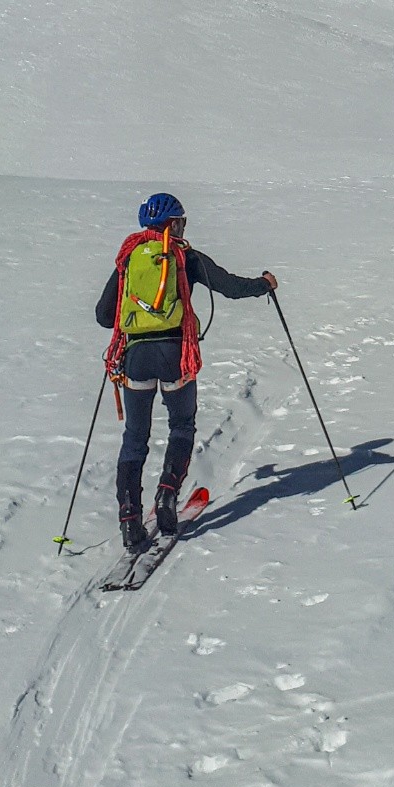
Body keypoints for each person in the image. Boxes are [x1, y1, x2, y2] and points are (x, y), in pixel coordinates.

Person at [96, 191, 276, 552]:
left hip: (135, 358)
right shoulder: (185, 257)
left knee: (135, 437)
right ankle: (167, 495)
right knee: (181, 426)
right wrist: (264, 284)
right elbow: (230, 287)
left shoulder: (129, 257)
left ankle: (129, 520)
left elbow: (103, 316)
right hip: (176, 355)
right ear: (174, 224)